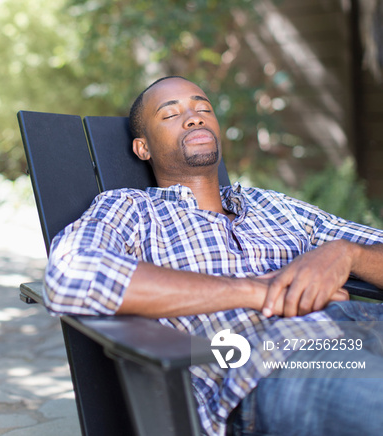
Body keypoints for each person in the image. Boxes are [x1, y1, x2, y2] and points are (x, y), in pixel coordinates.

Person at [44, 76, 383, 436]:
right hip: (284, 362)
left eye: (203, 109)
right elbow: (70, 272)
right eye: (171, 114)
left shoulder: (276, 205)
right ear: (143, 148)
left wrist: (347, 254)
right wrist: (258, 291)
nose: (194, 118)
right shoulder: (131, 209)